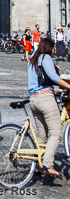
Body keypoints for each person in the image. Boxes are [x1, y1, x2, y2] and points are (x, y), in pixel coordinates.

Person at [28, 37, 70, 177]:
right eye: (53, 49)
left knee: (42, 136)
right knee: (56, 133)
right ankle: (47, 164)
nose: (54, 51)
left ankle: (37, 165)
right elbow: (52, 77)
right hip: (45, 99)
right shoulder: (45, 58)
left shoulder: (32, 59)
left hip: (33, 99)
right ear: (49, 48)